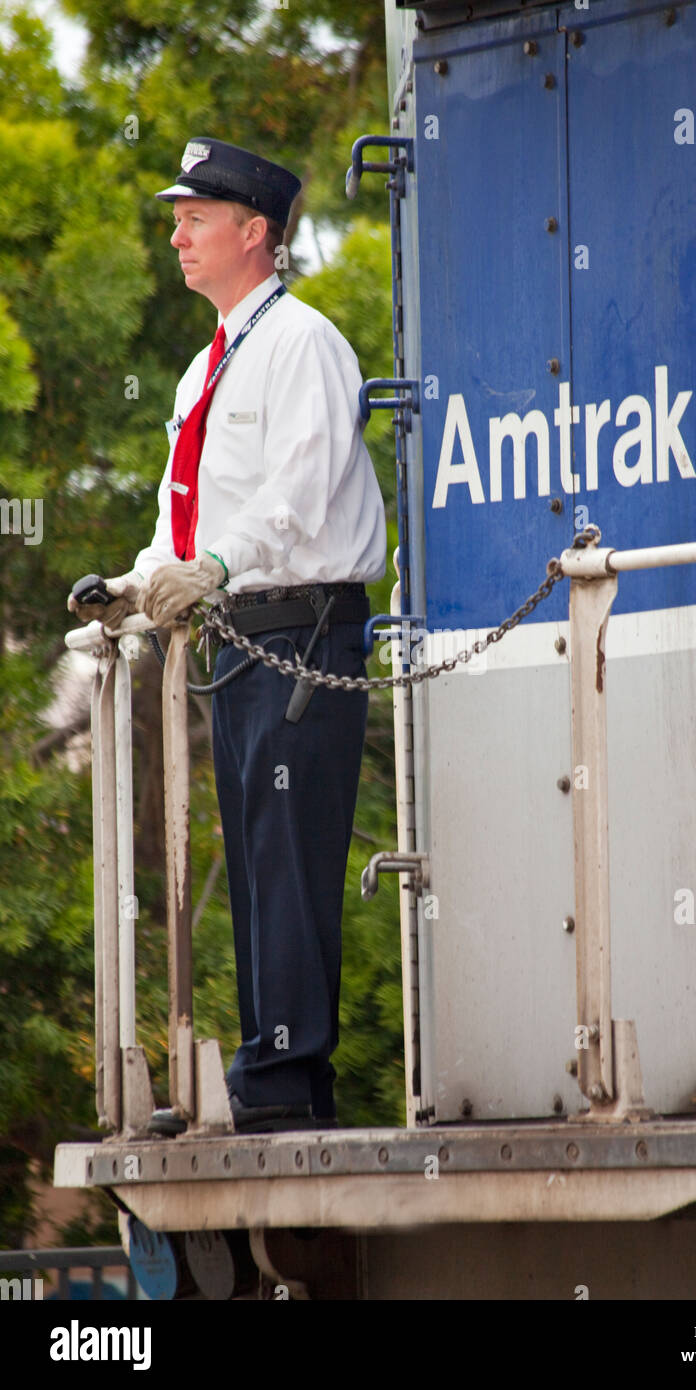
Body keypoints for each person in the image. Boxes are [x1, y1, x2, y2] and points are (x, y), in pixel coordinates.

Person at [68, 137, 387, 1134]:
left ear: (254, 233)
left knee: (288, 855)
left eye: (194, 219)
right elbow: (184, 519)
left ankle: (286, 1085)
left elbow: (294, 498)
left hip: (302, 628)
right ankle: (264, 1073)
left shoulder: (305, 345)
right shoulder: (206, 367)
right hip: (238, 635)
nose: (176, 235)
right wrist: (132, 584)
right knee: (255, 856)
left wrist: (212, 567)